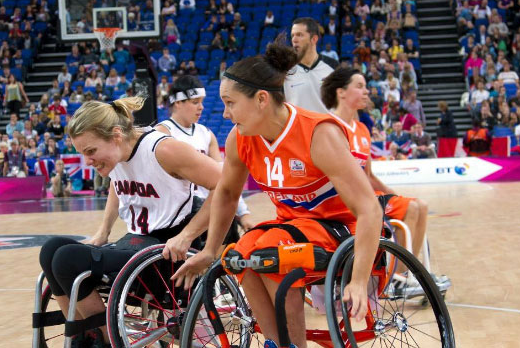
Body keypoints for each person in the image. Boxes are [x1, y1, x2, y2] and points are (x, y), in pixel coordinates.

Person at [172, 42, 382, 348]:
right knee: (240, 255)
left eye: (230, 103)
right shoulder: (240, 139)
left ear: (261, 99)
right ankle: (276, 342)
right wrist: (209, 249)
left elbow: (370, 209)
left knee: (270, 252)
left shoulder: (318, 134)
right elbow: (227, 193)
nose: (226, 114)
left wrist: (360, 280)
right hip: (294, 229)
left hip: (340, 230)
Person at [38, 96, 226, 347]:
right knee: (51, 249)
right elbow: (118, 186)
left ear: (116, 135)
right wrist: (103, 231)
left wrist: (187, 235)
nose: (87, 161)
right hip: (136, 246)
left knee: (66, 259)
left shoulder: (163, 150)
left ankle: (103, 338)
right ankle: (83, 334)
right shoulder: (116, 155)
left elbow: (225, 185)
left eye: (90, 151)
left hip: (166, 256)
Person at [321, 67, 449, 292]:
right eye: (359, 86)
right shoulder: (329, 127)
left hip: (365, 194)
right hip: (342, 199)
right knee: (410, 209)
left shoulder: (361, 129)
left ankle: (406, 273)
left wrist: (395, 194)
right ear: (341, 93)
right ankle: (394, 282)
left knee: (420, 205)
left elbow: (368, 176)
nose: (366, 92)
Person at [156, 75, 255, 230]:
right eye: (195, 102)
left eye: (202, 102)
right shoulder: (162, 132)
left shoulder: (206, 134)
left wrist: (243, 213)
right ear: (177, 102)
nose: (201, 107)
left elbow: (225, 177)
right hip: (175, 216)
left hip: (207, 210)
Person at [283, 17, 339, 114]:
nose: (294, 40)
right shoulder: (284, 70)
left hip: (328, 127)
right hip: (298, 128)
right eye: (292, 36)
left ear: (314, 39)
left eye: (299, 35)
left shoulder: (333, 66)